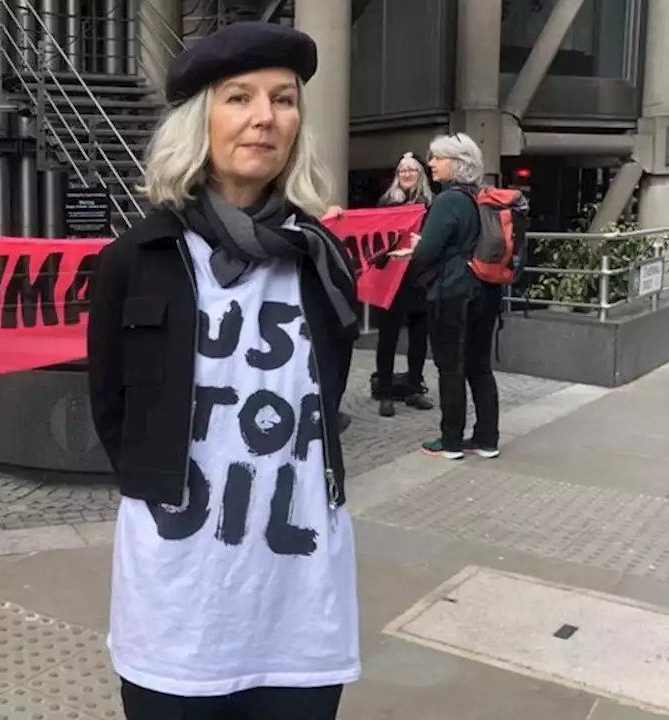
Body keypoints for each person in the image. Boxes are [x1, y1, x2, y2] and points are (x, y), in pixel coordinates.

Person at [86, 22, 360, 720]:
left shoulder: (322, 260)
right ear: (197, 121)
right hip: (179, 603)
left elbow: (325, 400)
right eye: (238, 98)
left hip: (299, 599)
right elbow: (112, 411)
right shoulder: (135, 260)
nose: (265, 117)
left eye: (284, 99)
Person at [396, 133, 501, 460]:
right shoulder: (481, 197)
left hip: (453, 294)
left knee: (450, 367)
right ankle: (486, 439)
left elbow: (428, 252)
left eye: (438, 158)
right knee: (480, 367)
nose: (431, 164)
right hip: (486, 289)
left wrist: (415, 247)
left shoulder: (448, 200)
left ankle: (451, 440)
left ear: (457, 164)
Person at [371, 152, 434, 417]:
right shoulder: (386, 202)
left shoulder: (430, 204)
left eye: (411, 170)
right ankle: (385, 391)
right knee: (388, 336)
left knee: (419, 337)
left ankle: (414, 388)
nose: (406, 174)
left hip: (418, 277)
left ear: (420, 174)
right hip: (392, 277)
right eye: (402, 170)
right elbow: (375, 237)